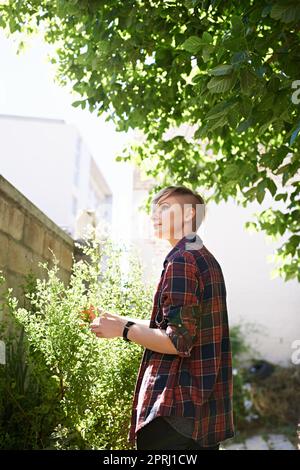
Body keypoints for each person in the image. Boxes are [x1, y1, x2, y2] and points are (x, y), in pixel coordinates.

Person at [90, 185, 235, 450]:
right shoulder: (202, 256)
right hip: (198, 416)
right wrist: (121, 321)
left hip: (173, 414)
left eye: (165, 207)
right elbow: (176, 327)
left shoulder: (183, 260)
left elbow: (176, 342)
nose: (155, 214)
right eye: (154, 208)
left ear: (189, 213)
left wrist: (124, 331)